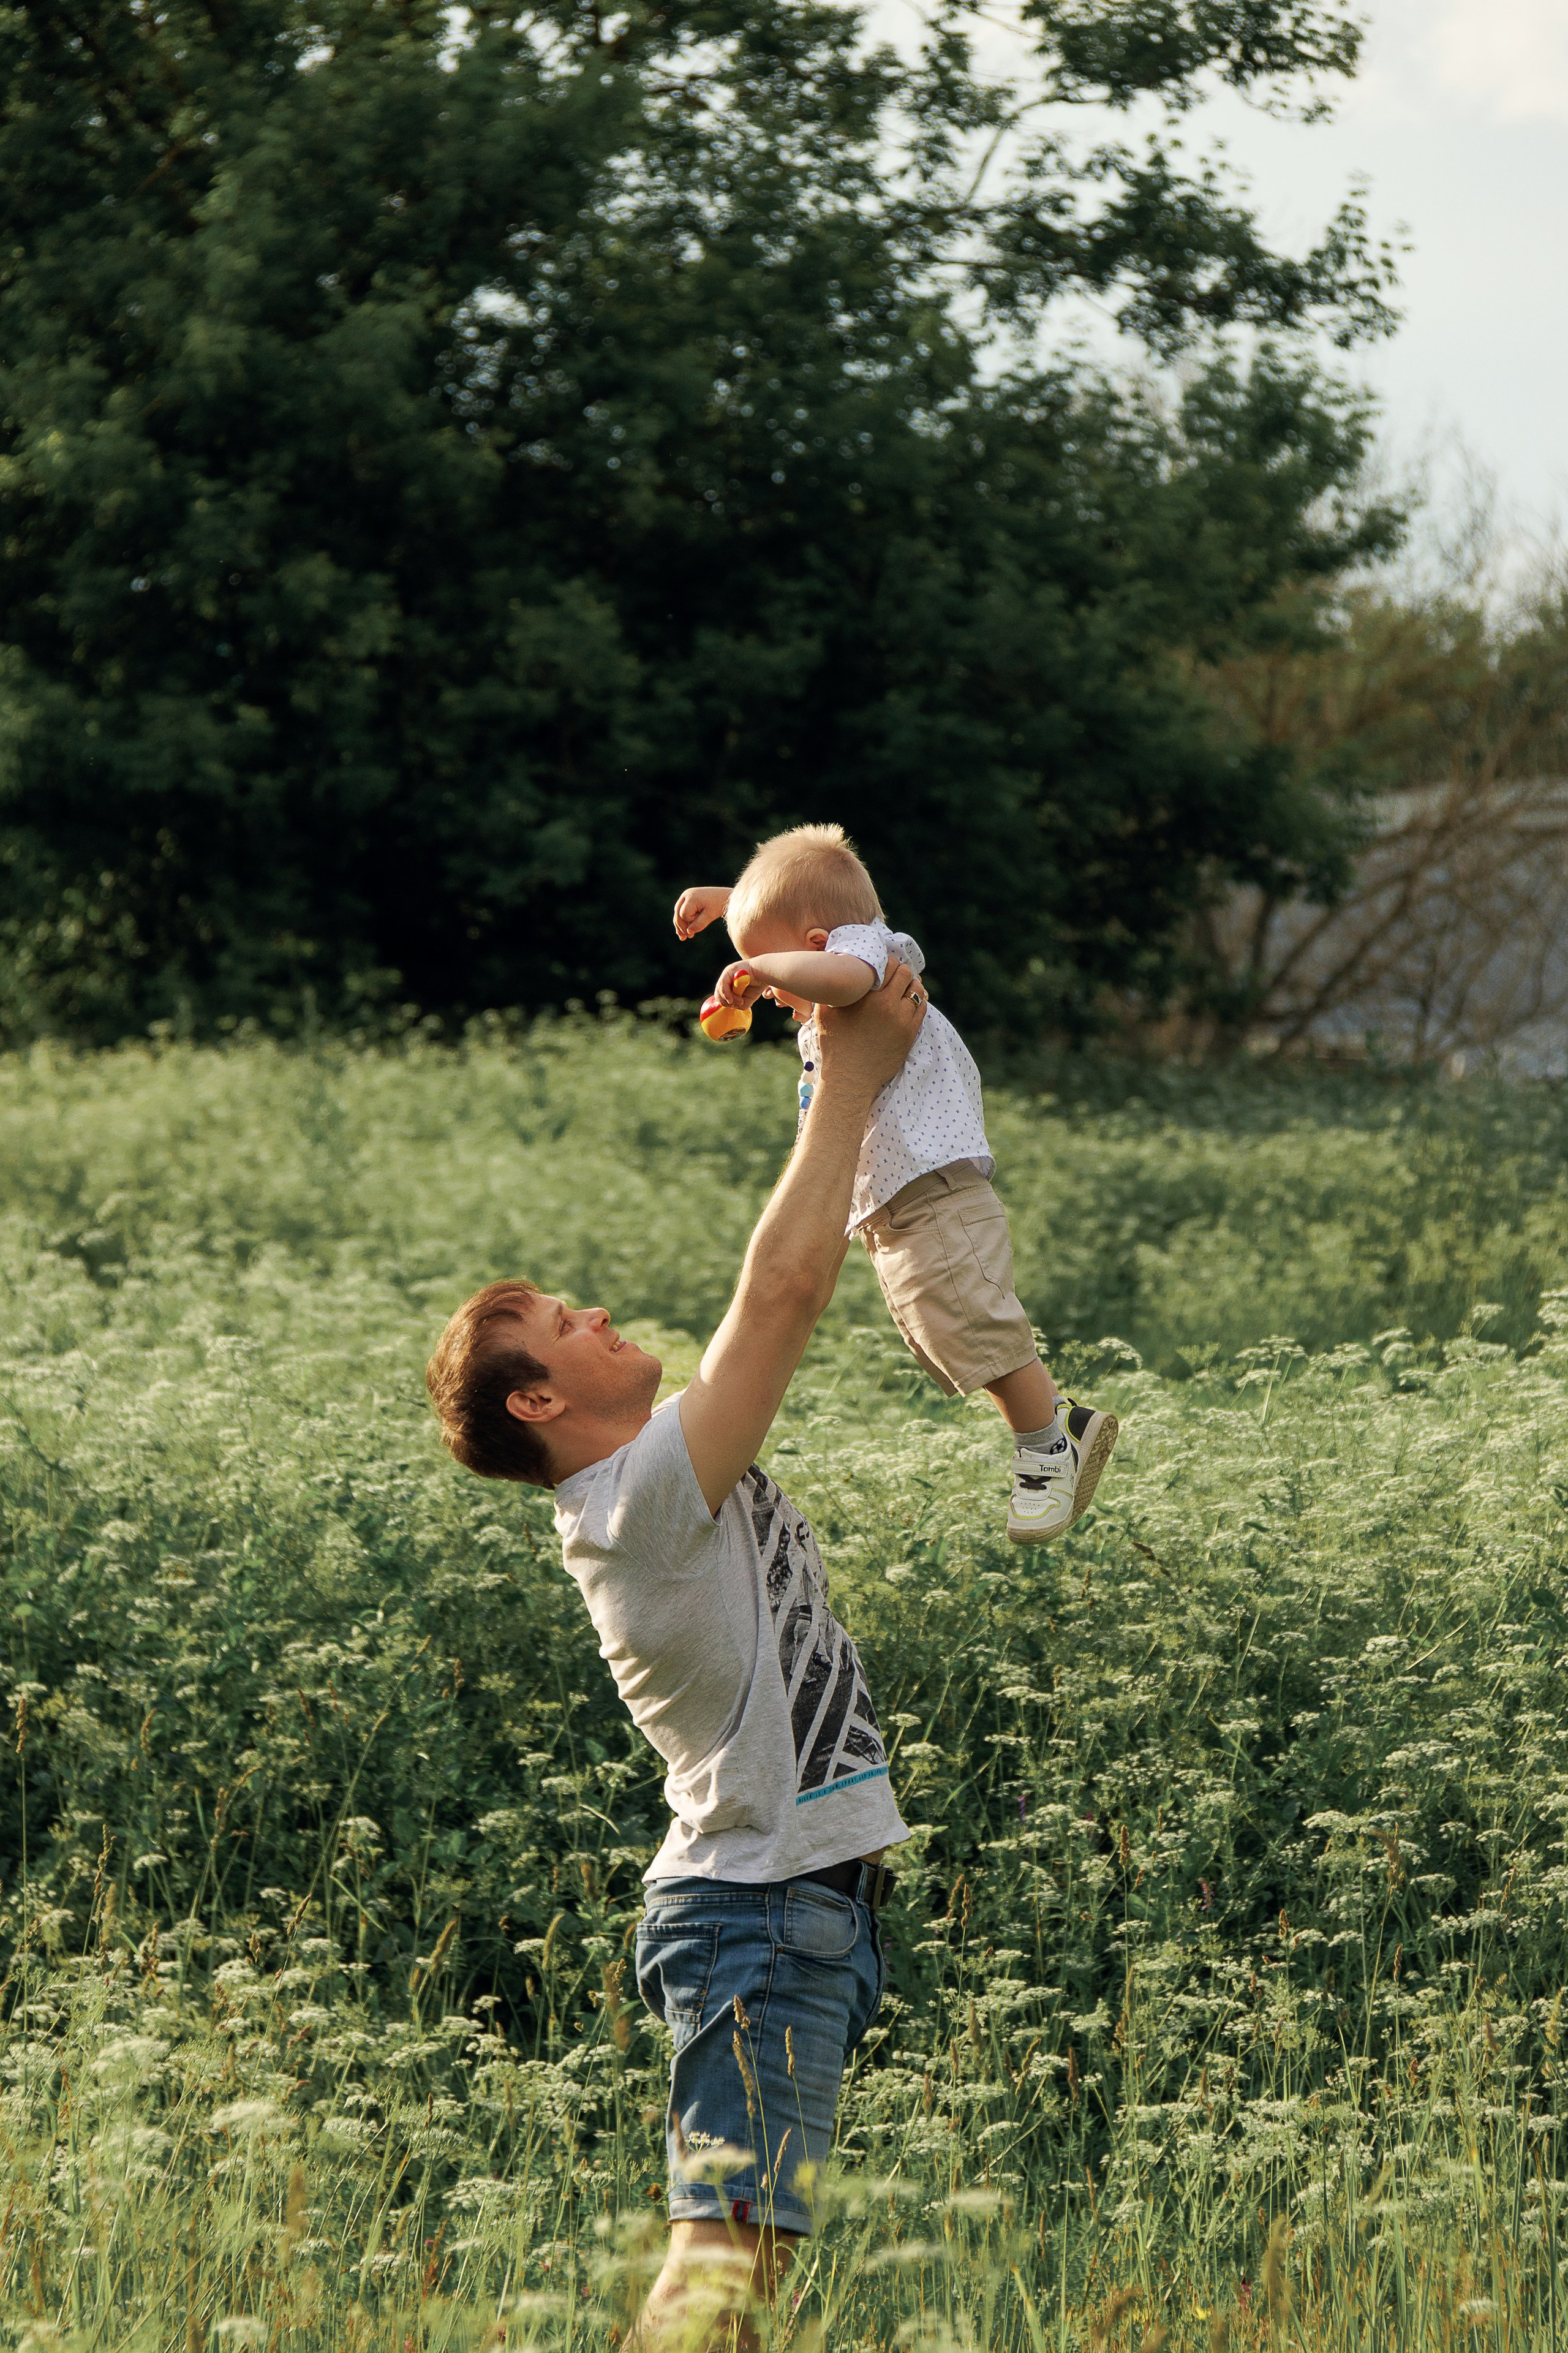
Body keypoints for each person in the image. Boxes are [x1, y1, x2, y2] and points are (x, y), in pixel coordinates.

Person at [424, 958, 929, 2347]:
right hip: (758, 1909)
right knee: (718, 2271)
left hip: (792, 1906)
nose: (592, 1312)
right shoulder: (633, 1498)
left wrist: (832, 1057)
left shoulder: (642, 1484)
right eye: (561, 1325)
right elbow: (782, 1291)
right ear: (537, 1401)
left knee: (740, 2269)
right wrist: (846, 1067)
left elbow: (783, 1283)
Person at [675, 823, 1118, 1544]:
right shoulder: (841, 941)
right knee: (946, 1332)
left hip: (932, 1188)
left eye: (780, 969)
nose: (773, 990)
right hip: (901, 1200)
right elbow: (807, 917)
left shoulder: (863, 959)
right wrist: (736, 904)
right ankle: (1060, 1422)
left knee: (973, 1324)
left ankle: (1046, 1446)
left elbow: (840, 970)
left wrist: (762, 964)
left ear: (814, 945)